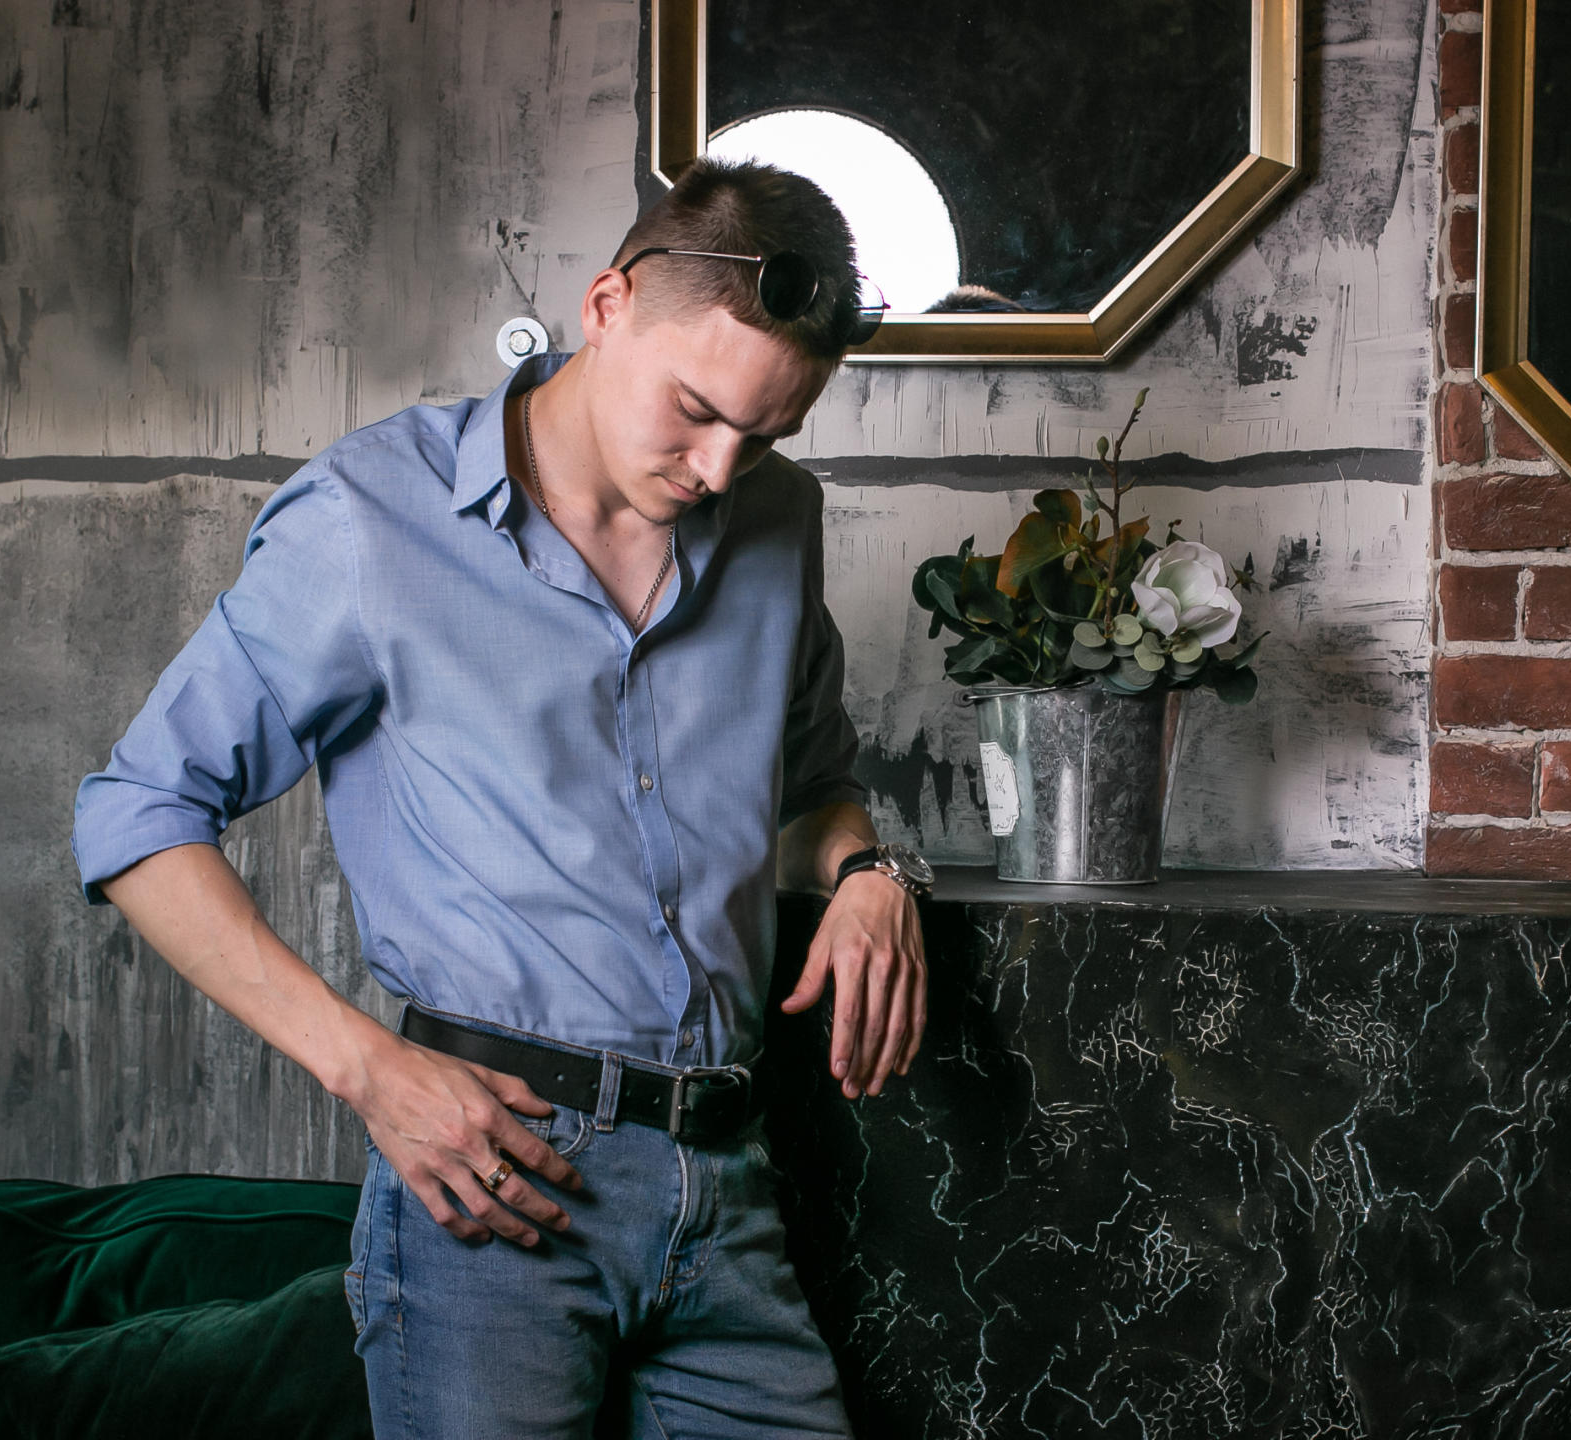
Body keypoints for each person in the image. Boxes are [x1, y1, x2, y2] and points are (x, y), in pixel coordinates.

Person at [70, 158, 933, 1439]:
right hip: (497, 1192)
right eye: (696, 412)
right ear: (606, 306)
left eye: (764, 436)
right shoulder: (372, 515)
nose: (718, 468)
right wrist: (371, 1070)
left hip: (729, 1187)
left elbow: (804, 793)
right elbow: (137, 811)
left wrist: (864, 871)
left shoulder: (778, 517)